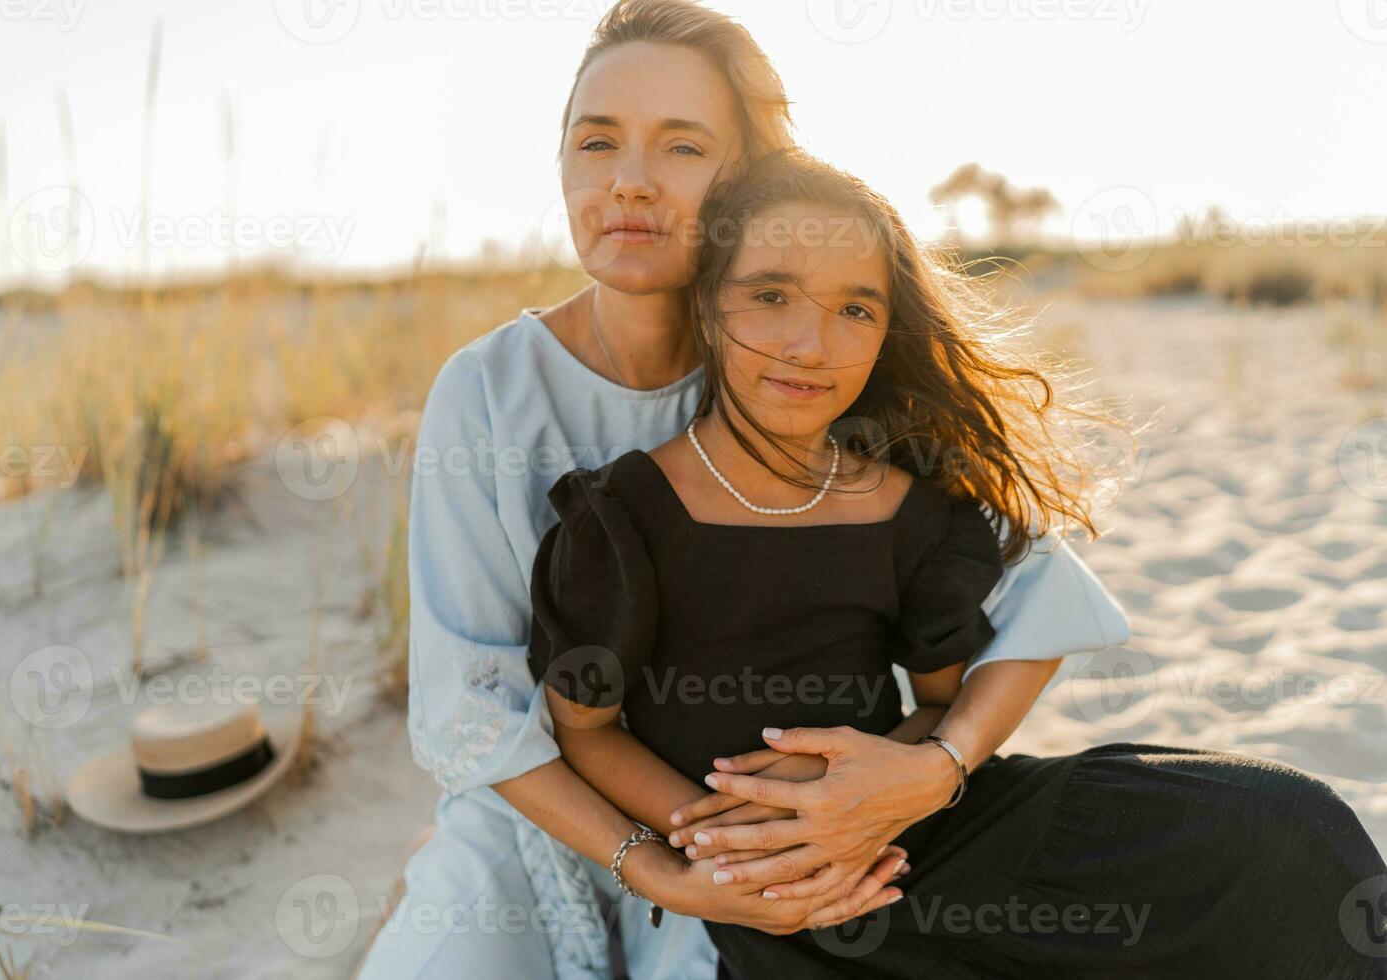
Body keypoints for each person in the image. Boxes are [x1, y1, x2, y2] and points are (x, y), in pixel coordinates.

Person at [352, 2, 1375, 977]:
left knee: (1279, 849)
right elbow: (473, 708)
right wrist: (664, 866)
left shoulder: (819, 364)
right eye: (596, 140)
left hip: (822, 828)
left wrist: (931, 768)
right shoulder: (487, 390)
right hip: (546, 822)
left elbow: (1036, 598)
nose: (629, 179)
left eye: (682, 145)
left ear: (748, 180)